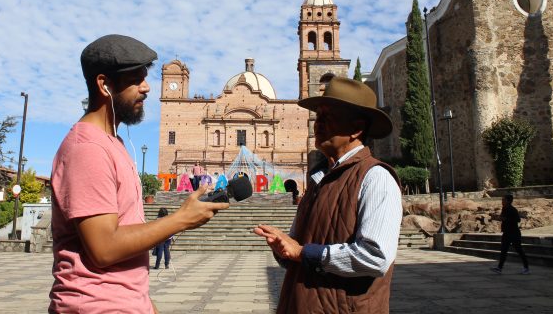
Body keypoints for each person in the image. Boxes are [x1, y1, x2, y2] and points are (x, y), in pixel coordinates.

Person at [49, 35, 229, 313]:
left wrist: (145, 305)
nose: (146, 88)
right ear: (104, 85)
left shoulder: (112, 144)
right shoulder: (88, 149)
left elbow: (124, 259)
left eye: (145, 78)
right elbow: (104, 248)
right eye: (135, 79)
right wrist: (180, 219)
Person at [254, 77, 402, 313]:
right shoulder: (317, 179)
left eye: (327, 116)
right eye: (317, 116)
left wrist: (303, 253)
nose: (317, 124)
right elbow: (300, 249)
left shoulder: (376, 178)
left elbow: (376, 256)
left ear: (356, 129)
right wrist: (284, 248)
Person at [491, 194, 530, 275]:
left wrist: (506, 219)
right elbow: (503, 217)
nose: (502, 201)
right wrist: (499, 218)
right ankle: (499, 268)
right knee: (503, 250)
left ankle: (526, 268)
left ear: (508, 201)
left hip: (514, 233)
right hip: (506, 233)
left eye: (503, 200)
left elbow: (518, 220)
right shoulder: (504, 208)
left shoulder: (513, 210)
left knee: (519, 250)